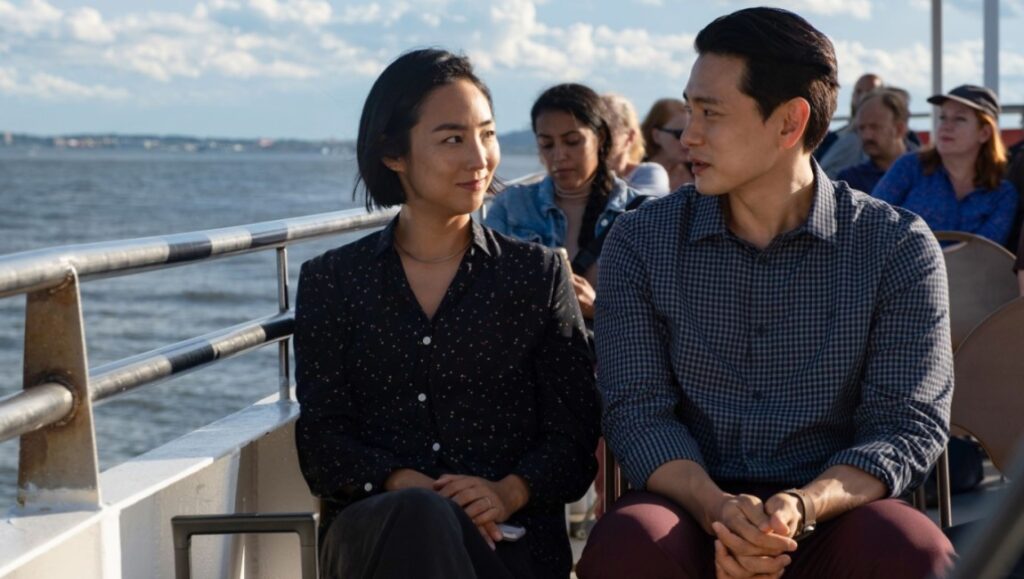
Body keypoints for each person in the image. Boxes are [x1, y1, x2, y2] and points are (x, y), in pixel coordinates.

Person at [578, 7, 954, 579]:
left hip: (837, 510)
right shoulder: (641, 240)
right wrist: (719, 509)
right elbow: (637, 410)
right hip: (687, 509)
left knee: (914, 551)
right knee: (630, 541)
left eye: (711, 113)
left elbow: (905, 424)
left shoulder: (895, 247)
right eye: (688, 108)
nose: (688, 135)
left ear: (788, 123)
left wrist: (801, 506)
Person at [293, 48, 600, 579]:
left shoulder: (536, 276)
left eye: (487, 134)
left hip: (509, 539)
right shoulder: (334, 280)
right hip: (378, 536)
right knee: (419, 518)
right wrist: (406, 485)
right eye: (453, 138)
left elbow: (574, 438)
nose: (479, 158)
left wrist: (505, 493)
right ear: (393, 153)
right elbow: (322, 443)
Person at [485, 83, 642, 321]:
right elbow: (486, 290)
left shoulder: (639, 213)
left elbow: (656, 316)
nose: (559, 155)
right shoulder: (510, 206)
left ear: (600, 138)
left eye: (572, 141)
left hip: (603, 356)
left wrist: (596, 308)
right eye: (547, 144)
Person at [873, 84, 1018, 245]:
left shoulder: (1003, 194)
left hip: (970, 271)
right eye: (943, 117)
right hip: (901, 269)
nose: (946, 126)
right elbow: (871, 220)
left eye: (959, 118)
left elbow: (985, 254)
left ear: (984, 133)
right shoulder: (909, 167)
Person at [836, 88, 910, 193]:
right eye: (861, 128)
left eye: (875, 127)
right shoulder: (850, 181)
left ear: (899, 129)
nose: (867, 136)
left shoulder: (927, 171)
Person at [602, 93, 670, 196]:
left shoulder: (649, 173)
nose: (599, 136)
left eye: (607, 129)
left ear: (630, 136)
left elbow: (641, 205)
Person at [816, 73, 883, 177]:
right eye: (859, 91)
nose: (863, 97)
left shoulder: (903, 141)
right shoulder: (830, 140)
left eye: (870, 92)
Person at [640, 98, 695, 191]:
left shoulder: (698, 172)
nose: (687, 140)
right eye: (679, 134)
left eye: (692, 134)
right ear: (656, 136)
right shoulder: (634, 174)